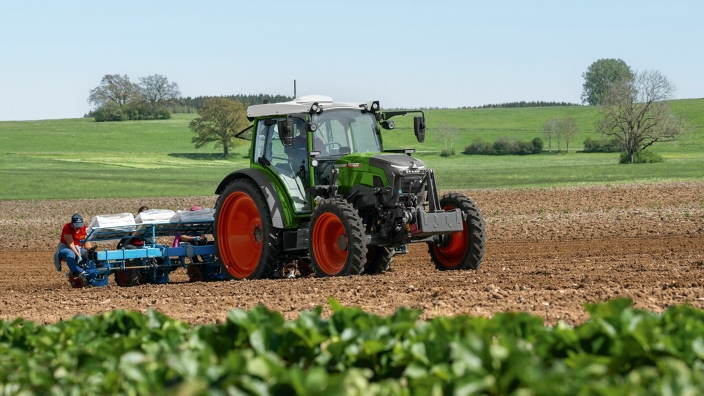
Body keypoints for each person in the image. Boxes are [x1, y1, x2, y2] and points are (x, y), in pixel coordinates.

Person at [54, 213, 93, 278]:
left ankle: (90, 270)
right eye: (76, 226)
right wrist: (79, 256)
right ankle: (75, 272)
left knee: (88, 253)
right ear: (72, 224)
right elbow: (71, 244)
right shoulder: (67, 227)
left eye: (79, 226)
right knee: (70, 253)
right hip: (65, 248)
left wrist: (92, 250)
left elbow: (87, 245)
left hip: (78, 248)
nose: (78, 228)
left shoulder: (84, 229)